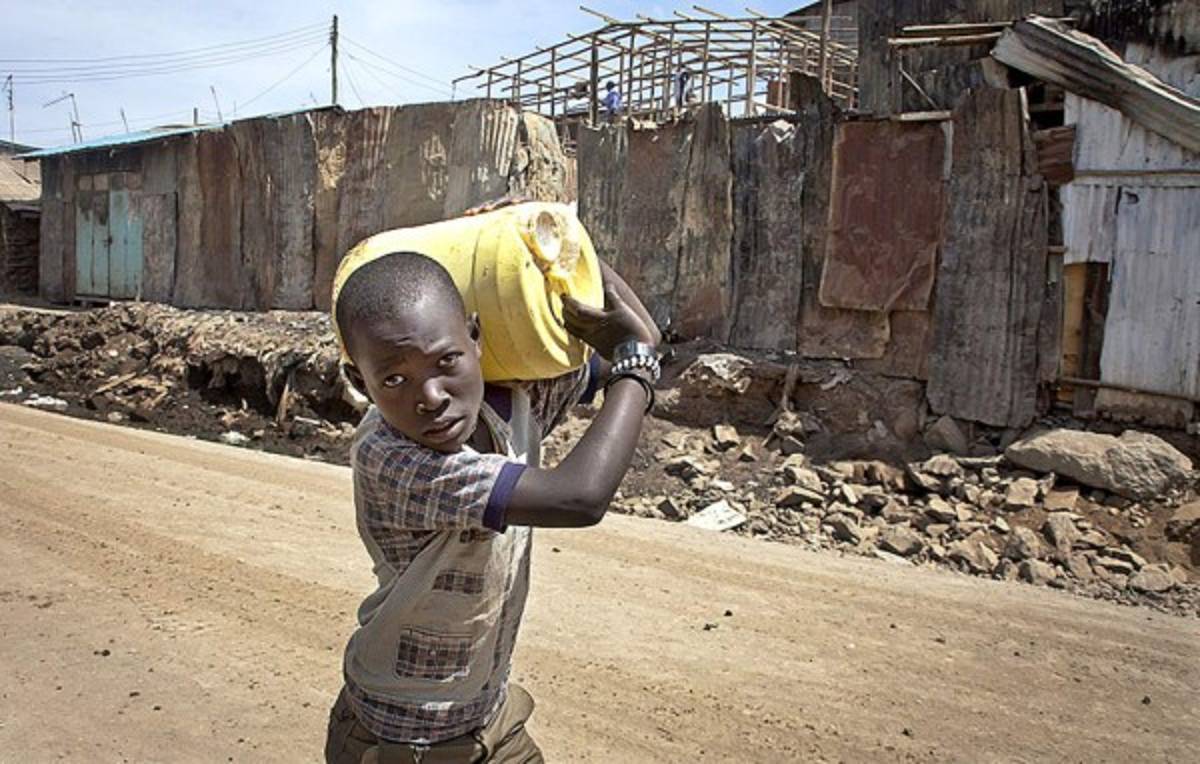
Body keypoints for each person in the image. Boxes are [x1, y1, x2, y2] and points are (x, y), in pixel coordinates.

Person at [324, 246, 660, 763]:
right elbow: (579, 498)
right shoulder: (391, 457)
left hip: (488, 714)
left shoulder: (507, 405)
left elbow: (610, 332)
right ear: (359, 383)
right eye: (394, 379)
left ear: (475, 339)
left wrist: (543, 240)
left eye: (446, 361)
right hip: (405, 735)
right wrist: (639, 364)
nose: (432, 394)